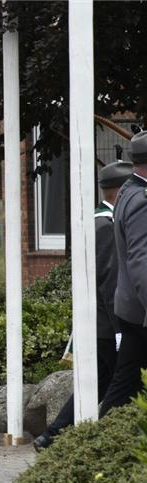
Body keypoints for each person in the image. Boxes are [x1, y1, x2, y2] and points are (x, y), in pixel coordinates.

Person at [34, 161, 131, 450]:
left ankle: (52, 435)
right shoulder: (106, 225)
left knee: (100, 382)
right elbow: (111, 282)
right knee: (123, 385)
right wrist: (120, 329)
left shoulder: (97, 221)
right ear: (121, 192)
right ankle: (100, 441)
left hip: (99, 323)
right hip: (107, 325)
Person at [99, 131, 147, 416]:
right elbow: (142, 260)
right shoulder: (142, 200)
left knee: (125, 385)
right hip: (141, 313)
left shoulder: (129, 191)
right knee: (123, 387)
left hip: (132, 310)